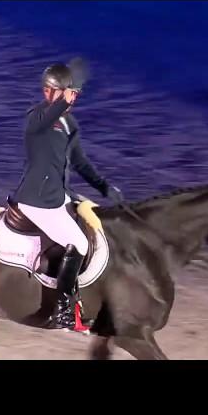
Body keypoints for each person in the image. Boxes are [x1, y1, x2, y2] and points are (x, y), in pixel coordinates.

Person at [10, 62, 124, 331]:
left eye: (66, 93)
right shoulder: (36, 118)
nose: (68, 99)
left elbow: (80, 162)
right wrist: (61, 103)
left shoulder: (69, 123)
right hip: (37, 199)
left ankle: (83, 298)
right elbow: (44, 121)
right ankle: (62, 310)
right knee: (79, 244)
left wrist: (104, 186)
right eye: (54, 92)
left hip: (59, 195)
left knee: (93, 223)